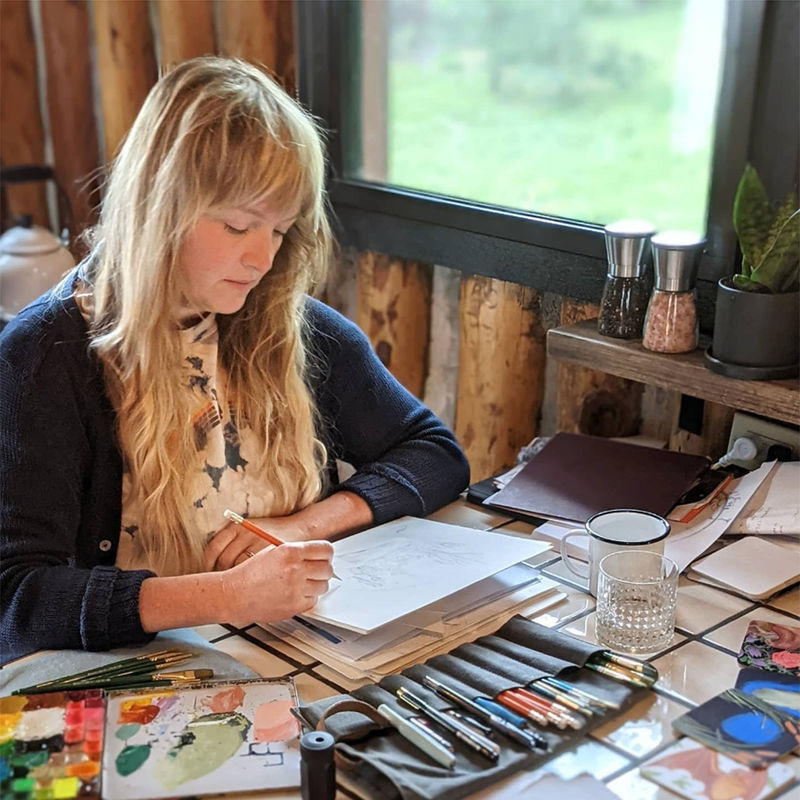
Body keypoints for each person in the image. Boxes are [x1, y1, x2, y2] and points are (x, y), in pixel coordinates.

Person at [0, 57, 470, 662]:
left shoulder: (285, 325)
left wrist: (298, 530)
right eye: (237, 225)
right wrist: (223, 596)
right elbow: (17, 597)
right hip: (128, 677)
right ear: (159, 206)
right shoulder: (45, 358)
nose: (262, 260)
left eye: (279, 231)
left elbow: (434, 453)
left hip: (290, 652)